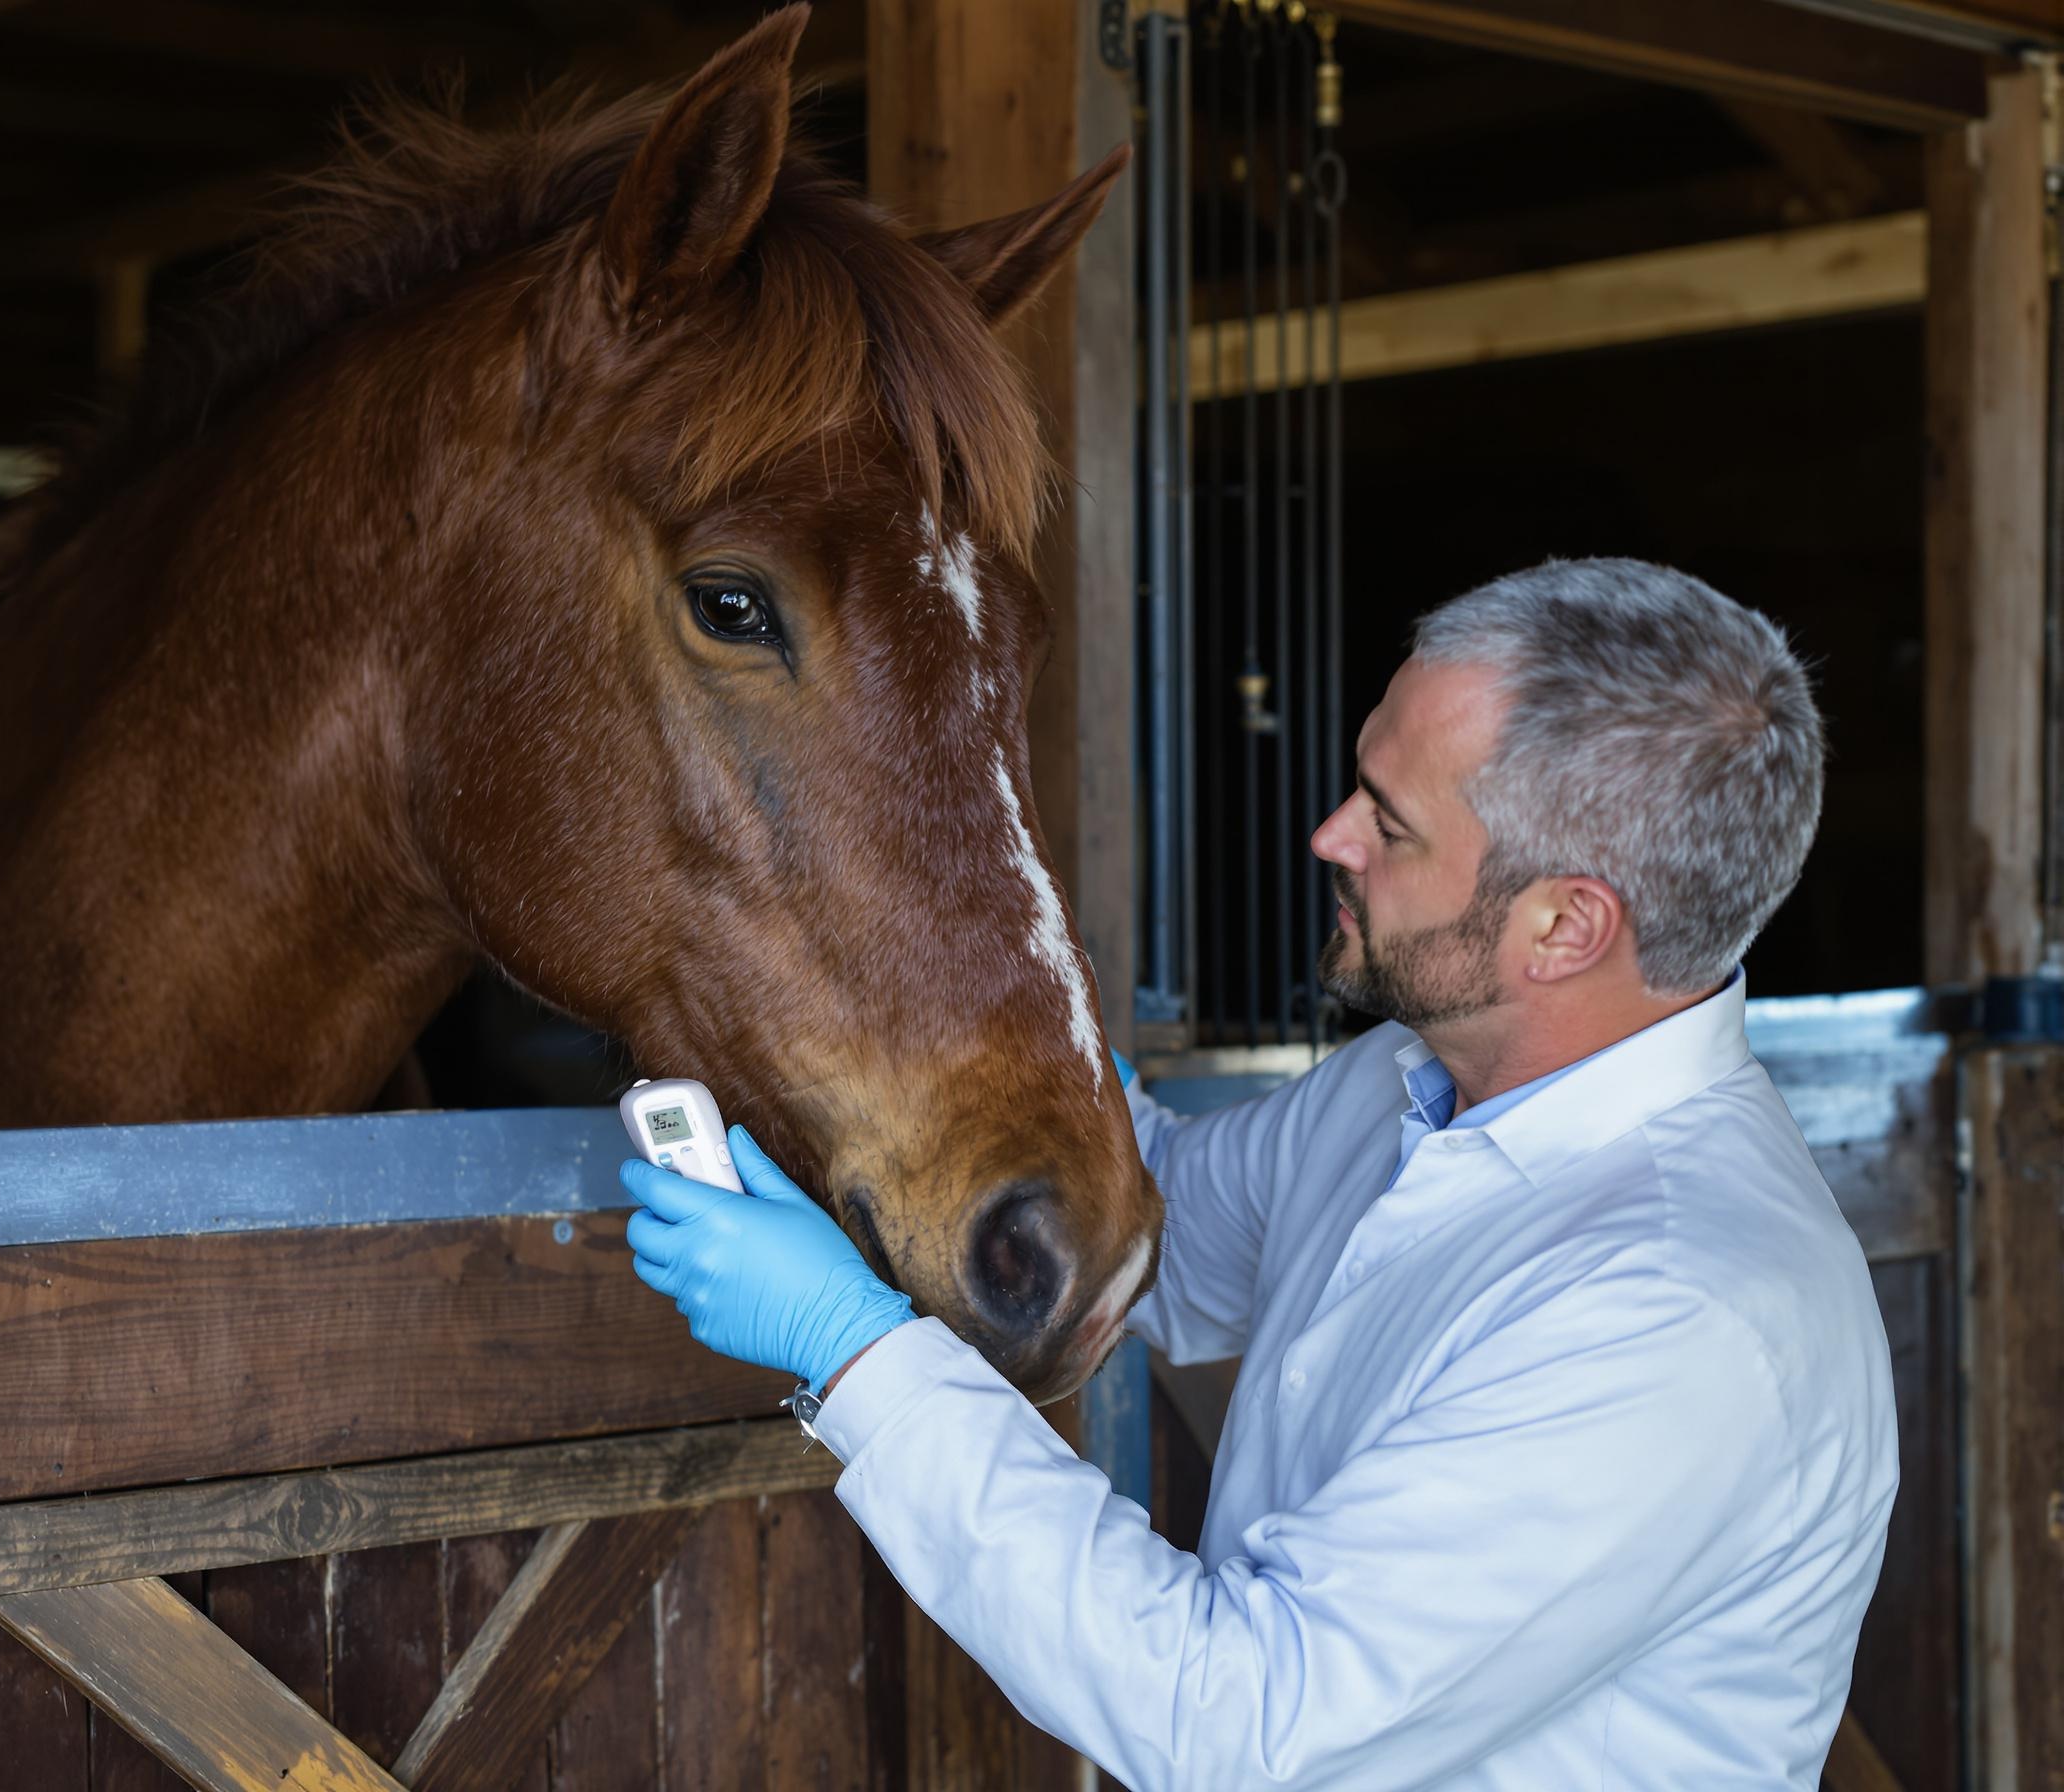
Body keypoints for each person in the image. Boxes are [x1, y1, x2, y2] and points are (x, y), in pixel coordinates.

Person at [621, 558, 1899, 1790]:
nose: (1329, 832)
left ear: (1563, 926)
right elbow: (1166, 1232)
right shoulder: (1401, 1083)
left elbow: (1240, 1726)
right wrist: (1010, 1056)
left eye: (1390, 824)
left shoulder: (1680, 1313)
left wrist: (853, 1354)